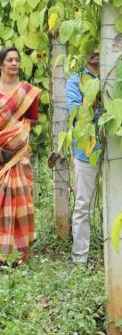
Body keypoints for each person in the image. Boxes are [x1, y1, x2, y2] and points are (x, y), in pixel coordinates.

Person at [0, 46, 41, 265]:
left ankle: (18, 251)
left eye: (17, 59)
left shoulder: (27, 91)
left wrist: (15, 139)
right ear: (1, 64)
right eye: (9, 60)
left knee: (20, 197)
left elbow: (29, 122)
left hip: (18, 155)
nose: (14, 63)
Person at [66, 52, 99, 265]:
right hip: (87, 150)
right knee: (83, 204)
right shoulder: (76, 79)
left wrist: (93, 105)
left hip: (114, 150)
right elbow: (76, 112)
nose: (95, 51)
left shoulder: (116, 75)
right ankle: (80, 258)